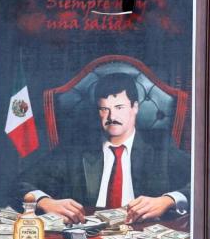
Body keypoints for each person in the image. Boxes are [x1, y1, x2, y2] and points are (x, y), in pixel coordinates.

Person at [19, 72, 190, 224]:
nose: (112, 116)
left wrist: (167, 200)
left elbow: (202, 181)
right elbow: (20, 183)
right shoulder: (75, 147)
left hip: (142, 235)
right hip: (89, 238)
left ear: (135, 108)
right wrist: (45, 202)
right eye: (104, 109)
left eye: (119, 107)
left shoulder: (160, 145)